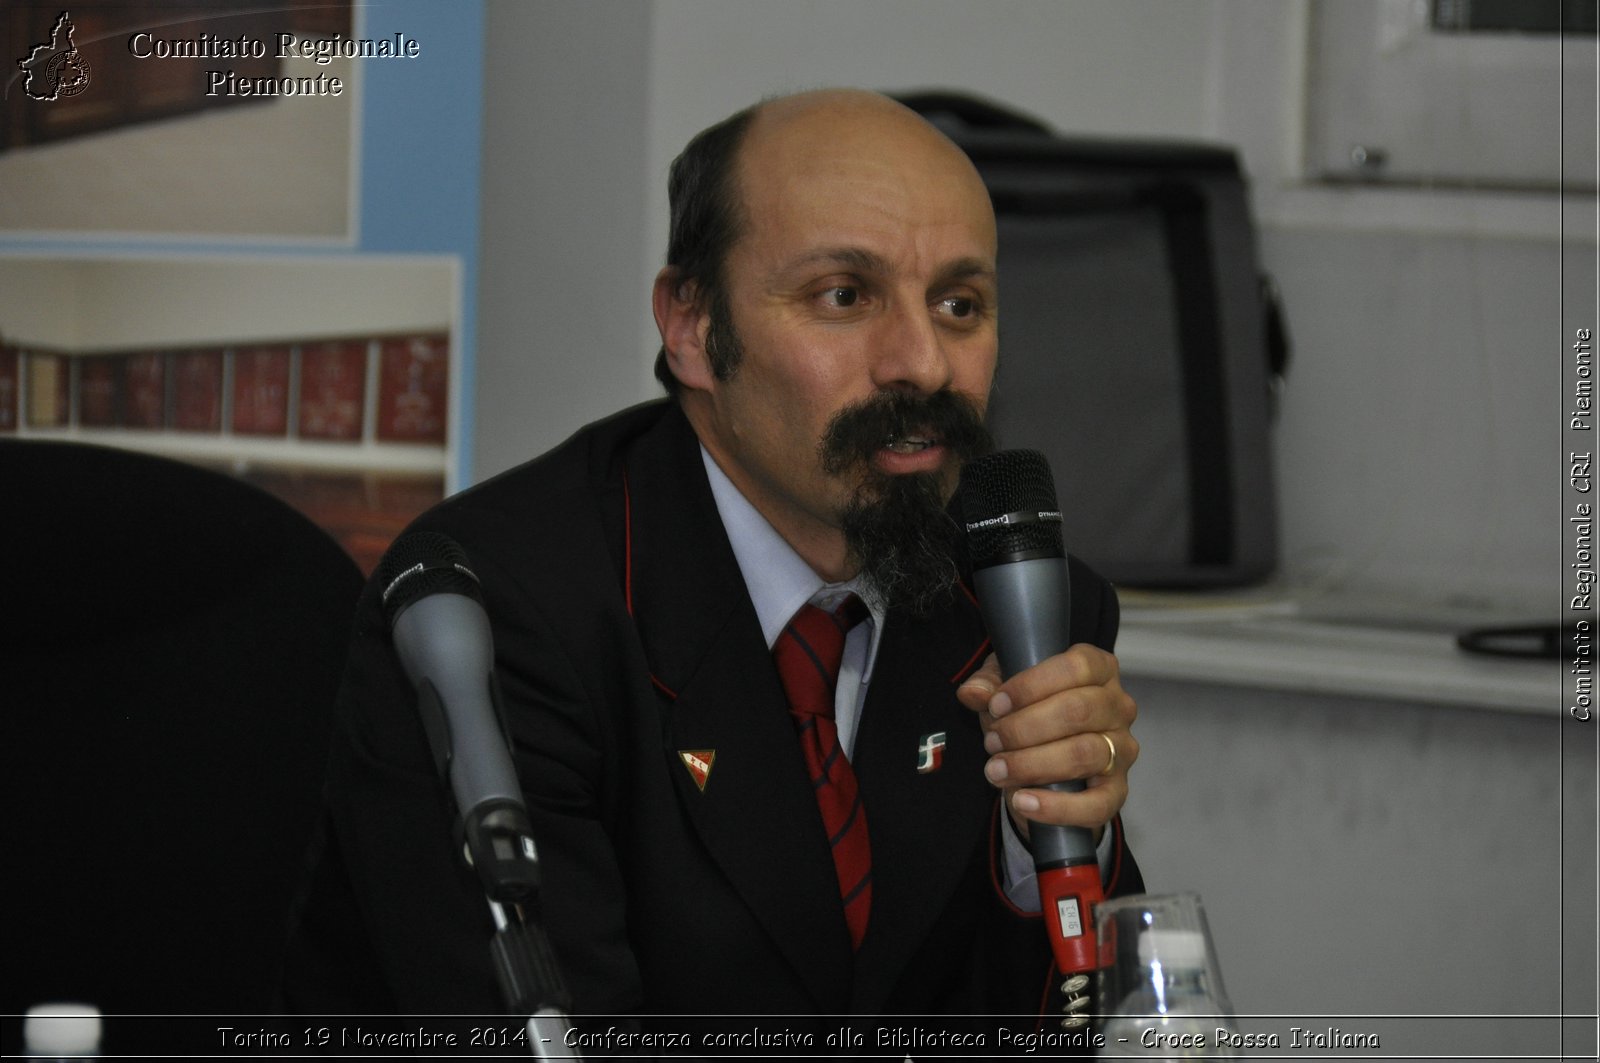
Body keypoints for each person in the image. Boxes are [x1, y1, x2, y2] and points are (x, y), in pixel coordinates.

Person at [281, 88, 1142, 1036]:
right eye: (845, 296)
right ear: (690, 326)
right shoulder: (495, 616)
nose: (923, 363)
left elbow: (1070, 1027)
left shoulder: (1016, 610)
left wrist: (1049, 849)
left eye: (960, 304)